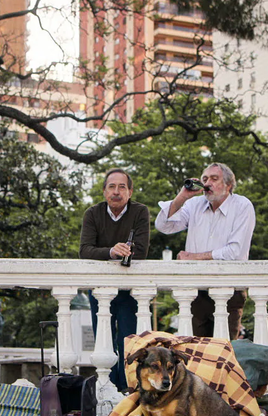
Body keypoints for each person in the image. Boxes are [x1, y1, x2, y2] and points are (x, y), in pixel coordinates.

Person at [155, 162, 255, 339]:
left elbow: (234, 252)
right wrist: (182, 196)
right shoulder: (194, 204)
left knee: (223, 349)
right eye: (205, 179)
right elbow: (163, 225)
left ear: (228, 185)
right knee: (195, 349)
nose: (207, 183)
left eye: (214, 179)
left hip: (229, 289)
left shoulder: (242, 206)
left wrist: (193, 257)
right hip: (196, 290)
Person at [79, 169, 150, 391]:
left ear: (130, 192)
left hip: (129, 289)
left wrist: (126, 251)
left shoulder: (140, 212)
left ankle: (126, 390)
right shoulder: (93, 214)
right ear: (104, 191)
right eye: (111, 187)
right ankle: (106, 390)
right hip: (100, 289)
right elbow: (84, 250)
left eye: (122, 187)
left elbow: (142, 251)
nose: (116, 192)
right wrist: (112, 251)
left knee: (128, 343)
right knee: (104, 341)